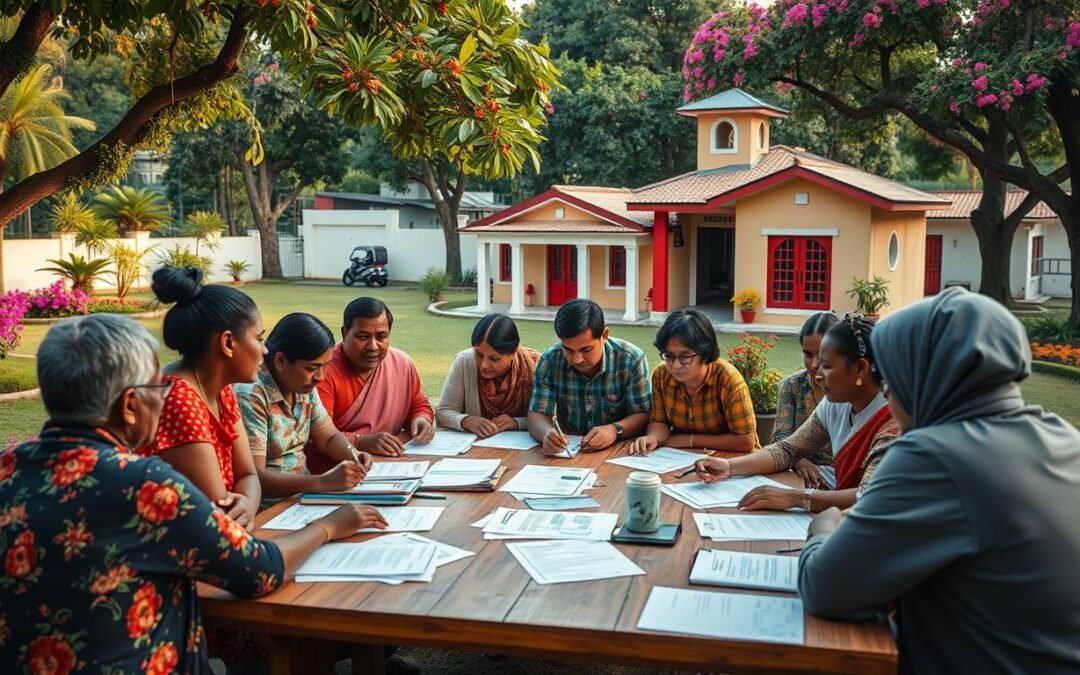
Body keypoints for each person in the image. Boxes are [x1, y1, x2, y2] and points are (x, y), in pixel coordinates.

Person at [0, 314, 386, 673]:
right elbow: (259, 570)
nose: (165, 397)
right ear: (132, 406)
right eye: (158, 387)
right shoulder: (144, 483)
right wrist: (328, 526)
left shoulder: (7, 466)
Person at [798, 289, 1080, 673]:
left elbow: (825, 587)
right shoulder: (1063, 437)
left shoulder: (935, 456)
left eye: (893, 376)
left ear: (923, 377)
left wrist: (824, 526)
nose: (886, 390)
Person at [693, 314, 898, 512]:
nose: (818, 374)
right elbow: (788, 449)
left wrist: (793, 497)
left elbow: (870, 498)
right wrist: (729, 466)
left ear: (860, 369)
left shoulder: (894, 421)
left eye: (826, 366)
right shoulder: (837, 404)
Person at [139, 266, 266, 531]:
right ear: (228, 343)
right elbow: (219, 512)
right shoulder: (176, 399)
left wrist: (247, 504)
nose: (265, 349)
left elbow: (248, 474)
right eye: (259, 338)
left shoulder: (220, 391)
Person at [235, 312, 373, 503]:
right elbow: (255, 476)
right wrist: (322, 482)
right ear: (281, 361)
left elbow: (329, 437)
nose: (321, 377)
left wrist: (354, 454)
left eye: (325, 366)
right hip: (267, 507)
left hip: (302, 498)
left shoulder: (302, 386)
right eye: (312, 368)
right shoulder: (251, 395)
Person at [310, 297, 435, 473]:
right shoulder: (324, 372)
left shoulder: (402, 364)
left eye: (381, 336)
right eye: (363, 337)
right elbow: (317, 436)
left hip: (392, 466)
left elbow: (418, 405)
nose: (373, 346)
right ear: (345, 334)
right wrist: (361, 441)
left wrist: (421, 420)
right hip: (336, 472)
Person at [528, 299, 651, 455]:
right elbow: (537, 413)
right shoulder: (551, 360)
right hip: (570, 450)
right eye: (568, 350)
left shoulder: (631, 359)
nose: (577, 359)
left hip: (622, 450)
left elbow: (643, 413)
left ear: (604, 335)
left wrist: (615, 430)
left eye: (586, 350)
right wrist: (546, 433)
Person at [628, 309, 756, 455]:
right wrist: (653, 438)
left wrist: (689, 440)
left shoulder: (728, 379)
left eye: (685, 357)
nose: (676, 365)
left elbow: (745, 441)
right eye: (669, 356)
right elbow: (659, 422)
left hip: (731, 459)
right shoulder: (662, 375)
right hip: (680, 457)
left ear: (705, 353)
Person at [436, 313, 540, 438]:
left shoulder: (536, 366)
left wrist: (517, 422)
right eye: (479, 355)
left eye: (494, 359)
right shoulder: (465, 361)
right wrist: (467, 421)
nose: (484, 365)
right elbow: (443, 413)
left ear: (513, 352)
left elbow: (551, 418)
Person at [773, 312, 840, 489]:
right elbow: (781, 437)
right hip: (799, 474)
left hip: (841, 480)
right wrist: (800, 461)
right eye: (808, 355)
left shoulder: (846, 392)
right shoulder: (792, 386)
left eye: (821, 355)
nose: (814, 364)